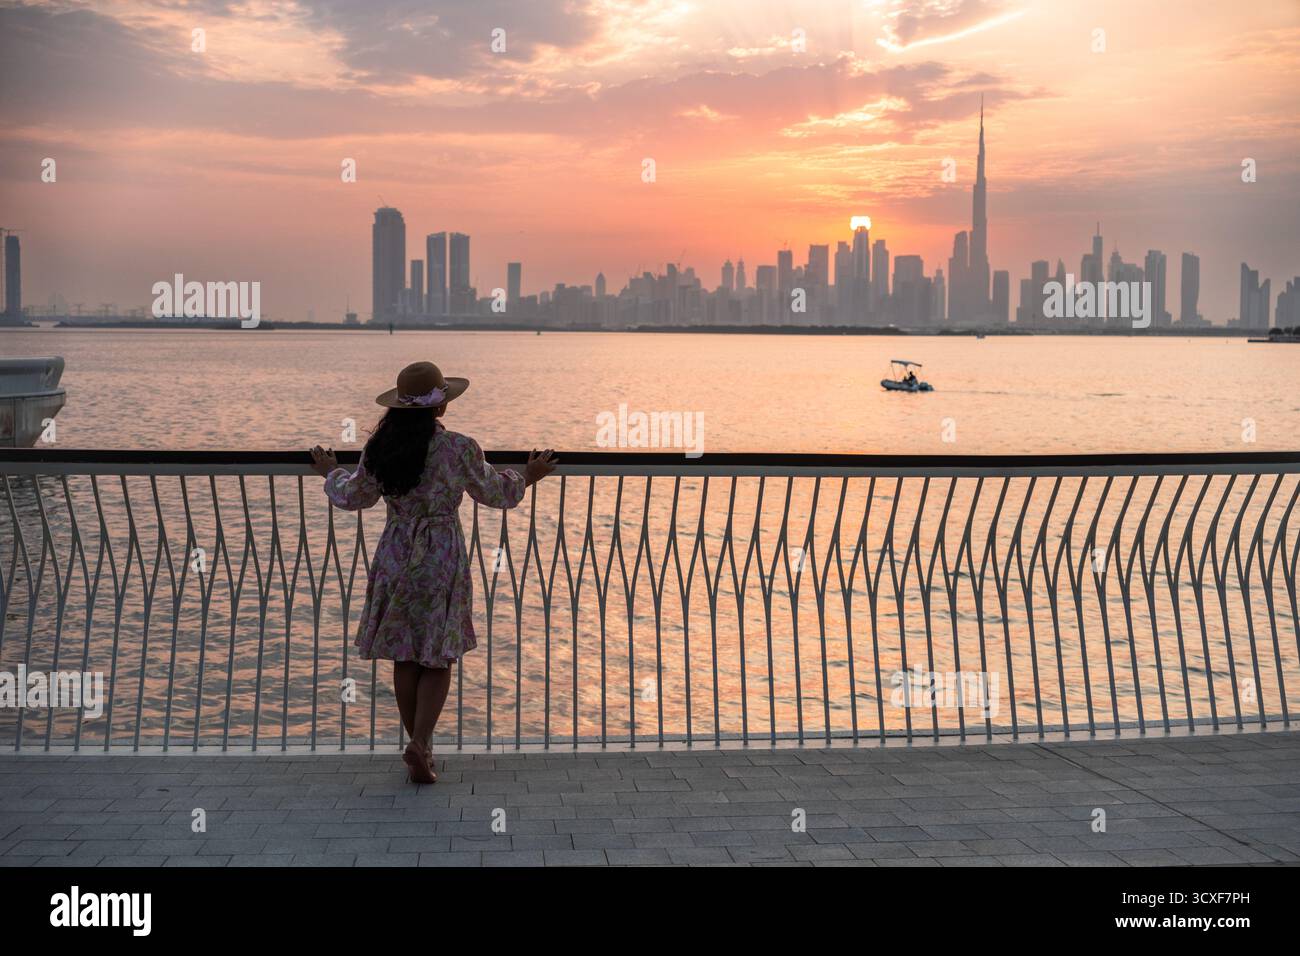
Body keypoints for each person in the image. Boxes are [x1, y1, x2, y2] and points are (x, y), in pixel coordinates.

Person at [309, 361, 556, 784]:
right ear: (440, 409)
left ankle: (419, 745)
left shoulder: (381, 449)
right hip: (440, 555)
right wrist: (529, 475)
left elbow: (353, 497)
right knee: (438, 654)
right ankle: (421, 745)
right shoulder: (458, 448)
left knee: (406, 653)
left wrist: (330, 471)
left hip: (395, 551)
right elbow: (495, 492)